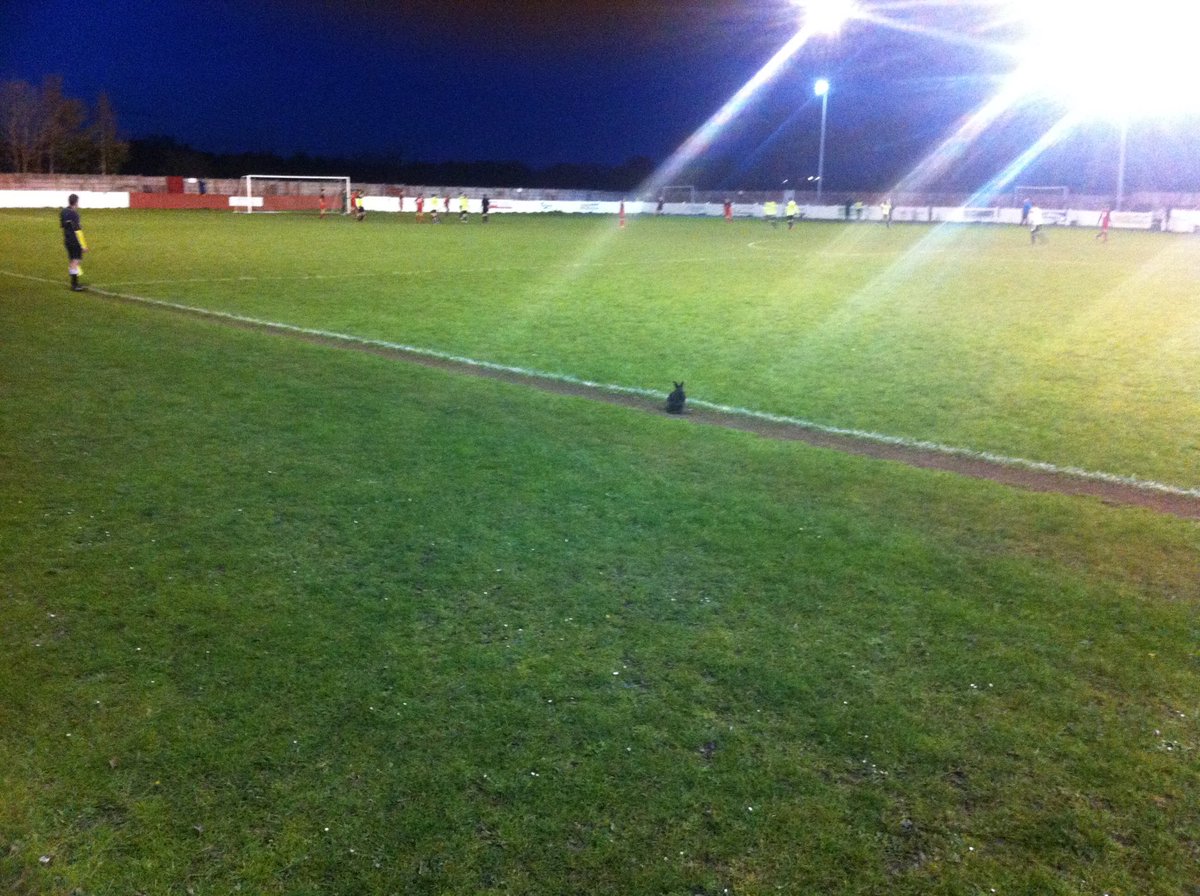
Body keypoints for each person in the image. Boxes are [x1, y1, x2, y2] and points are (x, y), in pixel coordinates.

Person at [60, 193, 88, 292]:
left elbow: (62, 226)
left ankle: (75, 280)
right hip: (74, 240)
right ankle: (74, 284)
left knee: (73, 260)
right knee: (76, 261)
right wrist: (83, 245)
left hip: (67, 239)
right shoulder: (75, 214)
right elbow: (78, 230)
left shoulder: (63, 212)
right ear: (76, 202)